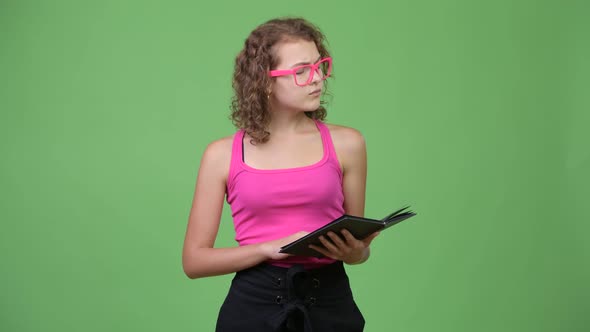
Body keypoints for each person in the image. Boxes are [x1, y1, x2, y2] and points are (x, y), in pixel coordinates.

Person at [182, 17, 379, 332]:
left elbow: (359, 250)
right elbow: (194, 262)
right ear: (264, 81)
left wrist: (357, 252)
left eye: (320, 66)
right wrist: (268, 248)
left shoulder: (348, 144)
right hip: (252, 308)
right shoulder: (220, 155)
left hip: (331, 304)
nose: (317, 79)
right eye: (301, 71)